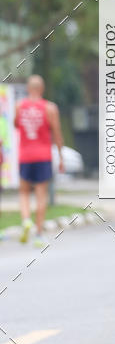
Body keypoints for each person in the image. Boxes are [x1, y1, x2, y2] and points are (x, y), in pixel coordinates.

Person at [14, 75, 64, 247]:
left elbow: (15, 125)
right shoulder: (50, 108)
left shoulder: (19, 106)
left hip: (25, 156)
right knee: (41, 195)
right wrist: (61, 157)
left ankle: (26, 219)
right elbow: (57, 133)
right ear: (41, 89)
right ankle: (38, 234)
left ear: (28, 89)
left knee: (24, 192)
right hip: (43, 156)